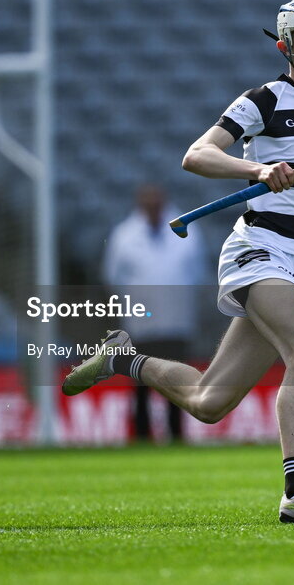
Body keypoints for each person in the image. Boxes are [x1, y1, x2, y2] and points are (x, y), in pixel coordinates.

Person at [64, 0, 294, 523]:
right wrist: (257, 167)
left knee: (208, 403)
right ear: (284, 46)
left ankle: (122, 359)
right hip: (262, 248)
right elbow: (196, 154)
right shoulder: (262, 100)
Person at [101, 183, 207, 442]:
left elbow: (198, 271)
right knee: (141, 383)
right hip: (141, 325)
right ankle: (141, 436)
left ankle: (176, 434)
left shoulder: (188, 232)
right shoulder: (124, 236)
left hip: (176, 321)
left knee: (177, 381)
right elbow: (112, 277)